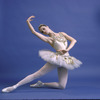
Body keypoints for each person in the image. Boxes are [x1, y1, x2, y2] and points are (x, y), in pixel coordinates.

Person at [2, 16, 82, 93]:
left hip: (66, 59)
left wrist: (67, 49)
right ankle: (14, 86)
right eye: (42, 31)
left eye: (44, 29)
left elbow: (74, 40)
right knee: (37, 74)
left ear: (47, 26)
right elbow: (34, 32)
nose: (44, 31)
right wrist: (28, 22)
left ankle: (41, 84)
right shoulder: (49, 39)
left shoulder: (62, 33)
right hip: (58, 58)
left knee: (61, 86)